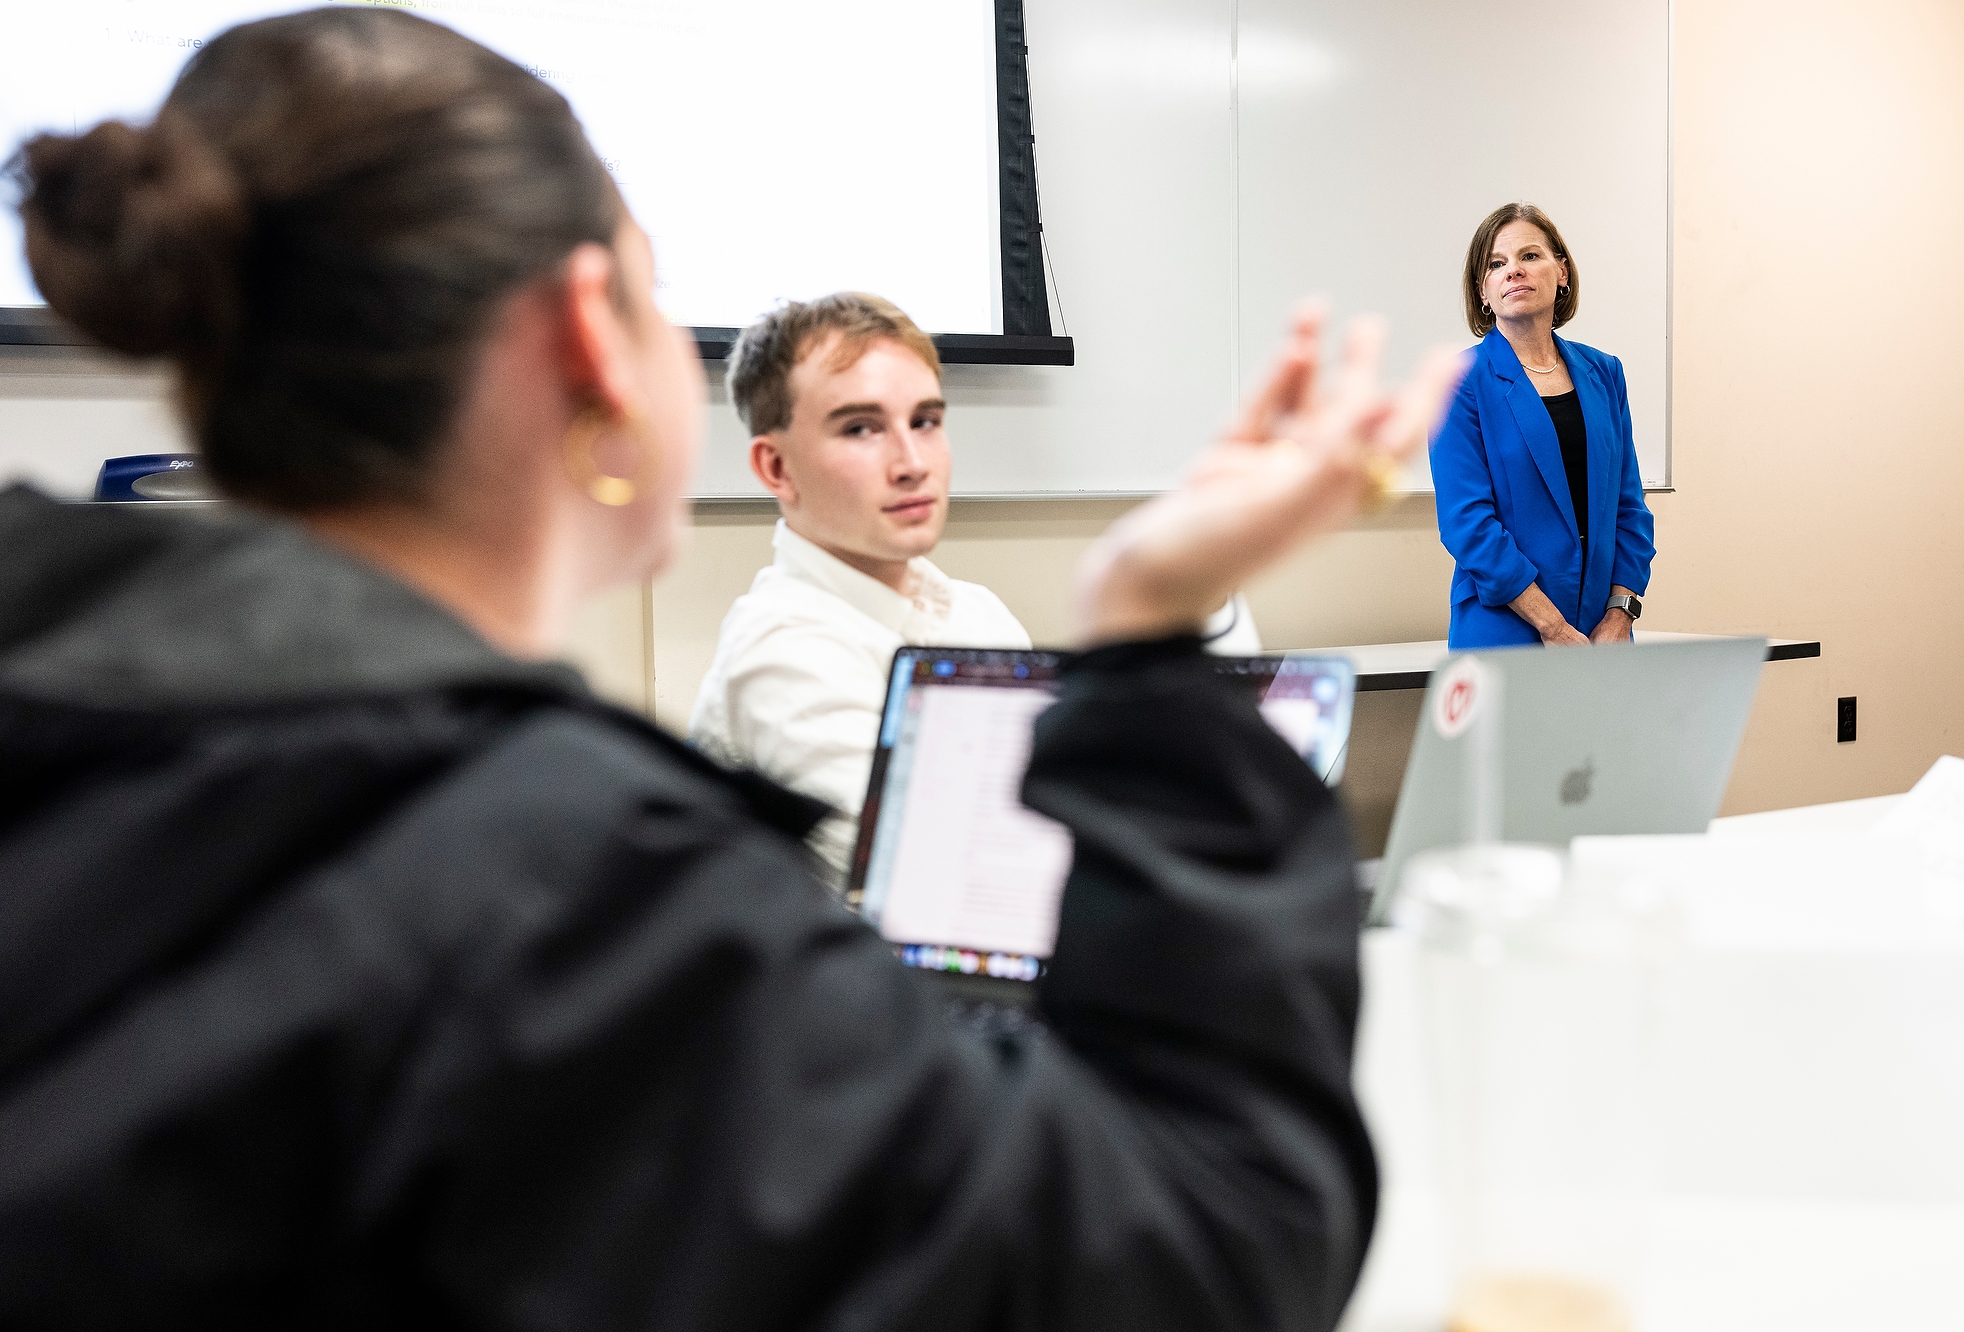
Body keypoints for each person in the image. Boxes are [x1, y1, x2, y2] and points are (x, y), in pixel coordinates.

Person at [0, 9, 1460, 1328]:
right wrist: (1152, 618)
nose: (908, 458)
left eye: (925, 418)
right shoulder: (566, 887)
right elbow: (1194, 1254)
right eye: (655, 294)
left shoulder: (89, 728)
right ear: (590, 332)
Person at [690, 294, 1259, 889]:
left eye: (926, 421)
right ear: (776, 469)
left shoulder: (975, 613)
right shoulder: (782, 652)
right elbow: (951, 879)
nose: (912, 462)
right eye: (861, 429)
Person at [1430, 203, 1656, 648]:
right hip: (1506, 631)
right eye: (1497, 264)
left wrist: (1620, 614)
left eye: (1530, 256)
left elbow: (1629, 506)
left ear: (1562, 272)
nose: (1514, 271)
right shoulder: (1458, 383)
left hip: (1602, 635)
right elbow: (1468, 524)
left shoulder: (1604, 373)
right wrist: (1551, 626)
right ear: (1483, 291)